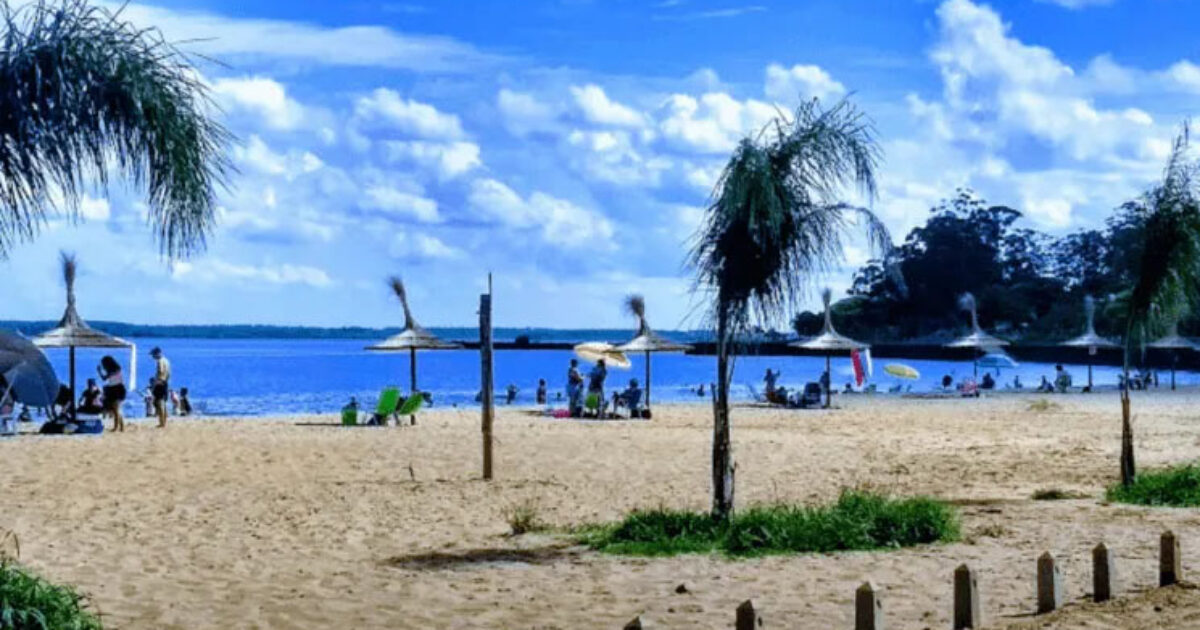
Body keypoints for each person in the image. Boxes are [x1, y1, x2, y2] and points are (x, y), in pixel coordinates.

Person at [98, 356, 126, 432]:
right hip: (113, 389)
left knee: (116, 409)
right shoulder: (112, 370)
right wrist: (100, 372)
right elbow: (104, 378)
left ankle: (117, 427)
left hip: (118, 389)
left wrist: (102, 372)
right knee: (115, 409)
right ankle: (121, 427)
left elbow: (110, 376)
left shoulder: (116, 369)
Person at [150, 347, 171, 428]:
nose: (152, 357)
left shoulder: (160, 361)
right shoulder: (167, 361)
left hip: (160, 383)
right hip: (165, 382)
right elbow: (169, 373)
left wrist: (155, 384)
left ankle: (162, 423)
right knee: (163, 402)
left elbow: (160, 372)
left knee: (159, 402)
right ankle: (163, 422)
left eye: (153, 355)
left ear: (157, 353)